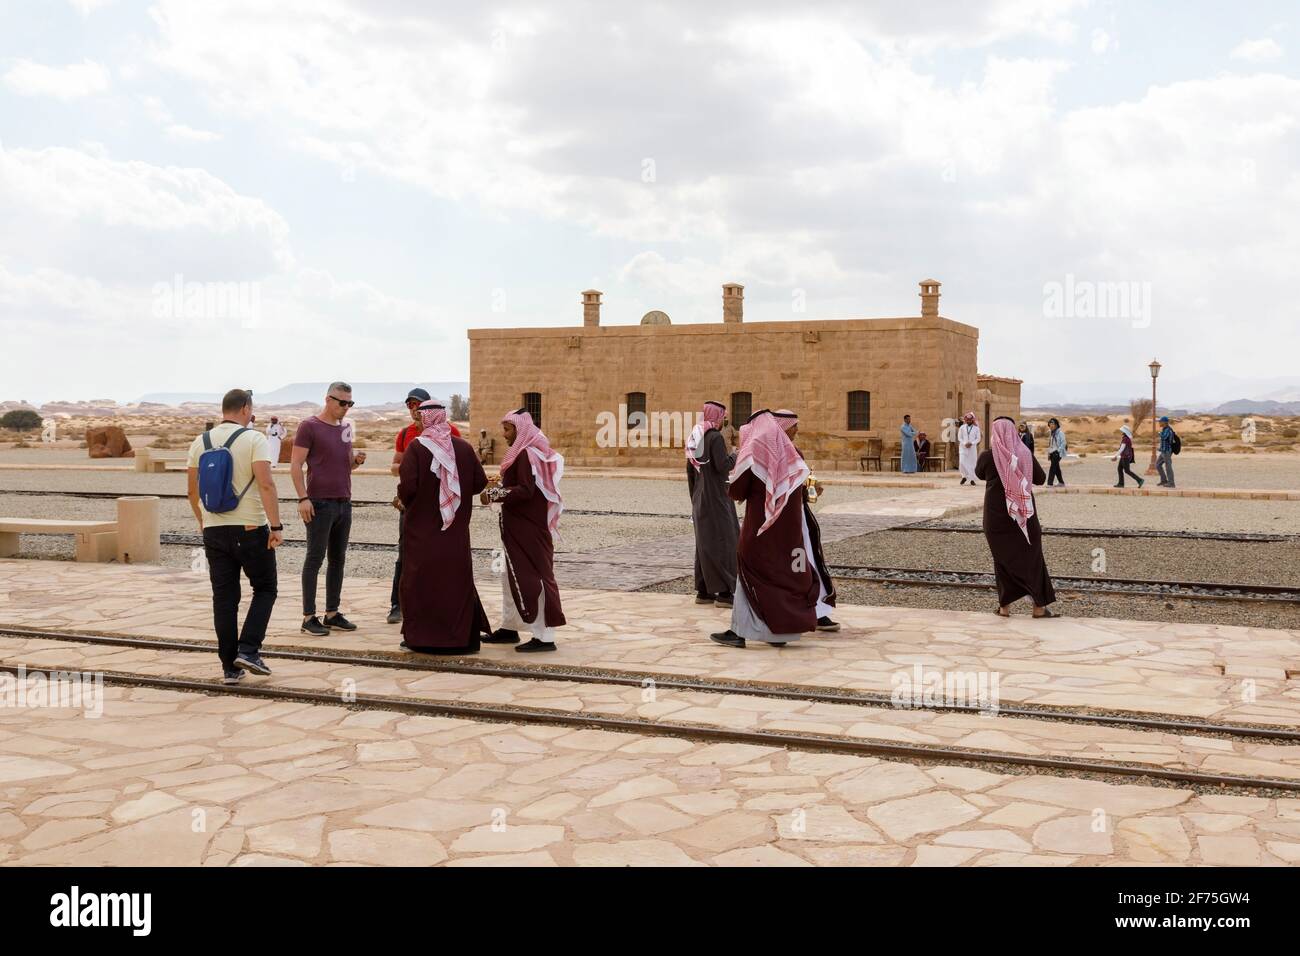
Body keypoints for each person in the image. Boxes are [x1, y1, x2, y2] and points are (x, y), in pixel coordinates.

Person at [185, 388, 284, 684]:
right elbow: (266, 484)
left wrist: (203, 522)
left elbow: (192, 491)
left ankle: (230, 667)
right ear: (244, 409)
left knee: (225, 598)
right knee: (265, 588)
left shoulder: (199, 442)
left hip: (213, 530)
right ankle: (249, 650)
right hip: (251, 528)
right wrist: (276, 527)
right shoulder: (254, 439)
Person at [709, 410, 826, 649]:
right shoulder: (794, 455)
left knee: (748, 576)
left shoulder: (752, 457)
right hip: (788, 532)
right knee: (782, 576)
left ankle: (737, 632)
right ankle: (778, 630)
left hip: (759, 531)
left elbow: (737, 492)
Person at [396, 401, 492, 653]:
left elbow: (407, 488)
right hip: (455, 532)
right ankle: (460, 638)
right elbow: (479, 483)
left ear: (426, 420)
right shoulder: (463, 447)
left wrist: (410, 501)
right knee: (455, 582)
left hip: (422, 533)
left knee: (420, 582)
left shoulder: (416, 448)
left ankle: (422, 638)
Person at [481, 409, 566, 652]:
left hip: (529, 528)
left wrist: (495, 493)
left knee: (534, 578)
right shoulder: (524, 453)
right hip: (516, 529)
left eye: (508, 429)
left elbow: (526, 491)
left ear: (520, 429)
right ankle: (510, 627)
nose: (504, 434)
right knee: (512, 577)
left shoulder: (528, 453)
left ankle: (545, 636)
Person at [291, 382, 367, 636]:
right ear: (328, 399)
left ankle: (332, 613)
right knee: (314, 558)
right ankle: (308, 617)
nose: (346, 407)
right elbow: (296, 465)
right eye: (342, 402)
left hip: (344, 502)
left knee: (338, 559)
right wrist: (303, 498)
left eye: (350, 403)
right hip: (319, 503)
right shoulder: (309, 426)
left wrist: (355, 462)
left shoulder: (346, 429)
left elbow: (345, 466)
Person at [976, 417, 1057, 618]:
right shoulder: (1024, 453)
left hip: (996, 519)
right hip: (1024, 517)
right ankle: (1038, 608)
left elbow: (979, 474)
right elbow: (1040, 478)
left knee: (1002, 561)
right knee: (1033, 560)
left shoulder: (988, 456)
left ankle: (1004, 608)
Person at [774, 409, 838, 630]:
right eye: (794, 426)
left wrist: (809, 490)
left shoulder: (793, 451)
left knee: (804, 561)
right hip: (784, 521)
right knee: (798, 563)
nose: (797, 430)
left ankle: (816, 610)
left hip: (795, 517)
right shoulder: (776, 453)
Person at [686, 400, 738, 607]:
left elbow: (690, 472)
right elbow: (722, 466)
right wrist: (735, 456)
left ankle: (704, 591)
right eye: (722, 418)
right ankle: (725, 593)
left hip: (701, 496)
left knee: (705, 544)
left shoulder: (696, 437)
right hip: (716, 497)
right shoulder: (714, 438)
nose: (723, 422)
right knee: (725, 541)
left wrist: (695, 498)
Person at [958, 411, 981, 485]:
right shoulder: (962, 427)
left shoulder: (976, 428)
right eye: (967, 420)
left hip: (972, 448)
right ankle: (964, 476)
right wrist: (965, 443)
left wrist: (972, 443)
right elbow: (959, 437)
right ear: (965, 420)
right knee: (962, 462)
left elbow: (978, 438)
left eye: (970, 420)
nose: (968, 421)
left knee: (972, 464)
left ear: (972, 420)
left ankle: (972, 479)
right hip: (963, 448)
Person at [1156, 416, 1177, 488]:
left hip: (1167, 451)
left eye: (1160, 422)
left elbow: (1164, 437)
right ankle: (1164, 480)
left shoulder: (1168, 430)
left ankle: (1171, 483)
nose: (1159, 423)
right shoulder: (1164, 429)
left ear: (1164, 422)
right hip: (1163, 451)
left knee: (1168, 467)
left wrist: (1159, 433)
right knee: (1158, 465)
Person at [1046, 417, 1067, 486]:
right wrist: (1049, 453)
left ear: (1056, 425)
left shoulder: (1060, 433)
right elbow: (1051, 444)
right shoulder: (1051, 433)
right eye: (1050, 424)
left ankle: (1049, 483)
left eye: (1053, 424)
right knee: (1056, 468)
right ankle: (1061, 482)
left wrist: (1058, 451)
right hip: (1052, 453)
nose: (1051, 426)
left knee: (1052, 468)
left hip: (1057, 453)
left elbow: (1063, 443)